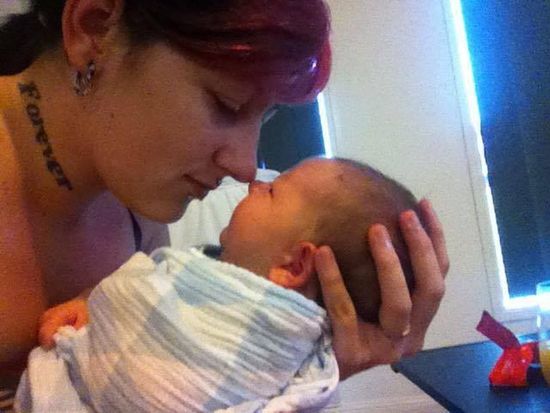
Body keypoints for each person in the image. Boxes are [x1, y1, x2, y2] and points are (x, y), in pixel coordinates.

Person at [0, 0, 448, 397]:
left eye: (263, 119)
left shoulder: (138, 209)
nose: (246, 167)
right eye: (226, 105)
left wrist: (299, 375)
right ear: (95, 27)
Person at [18, 157, 421, 412]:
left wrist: (104, 302)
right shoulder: (203, 267)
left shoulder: (300, 359)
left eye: (272, 191)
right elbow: (137, 298)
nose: (253, 181)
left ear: (295, 264)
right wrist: (96, 306)